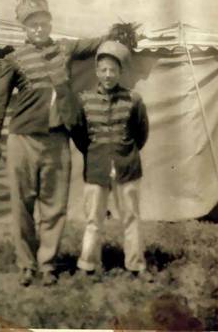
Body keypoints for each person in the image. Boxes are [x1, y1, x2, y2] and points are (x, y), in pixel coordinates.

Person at [0, 0, 111, 286]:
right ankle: (26, 264)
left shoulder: (65, 50)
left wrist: (115, 35)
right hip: (23, 139)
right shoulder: (14, 59)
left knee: (54, 205)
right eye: (33, 25)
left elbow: (93, 44)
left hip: (57, 139)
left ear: (50, 24)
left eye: (43, 23)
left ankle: (47, 264)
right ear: (25, 28)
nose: (39, 29)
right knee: (22, 205)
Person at [71, 40, 150, 276]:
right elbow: (80, 136)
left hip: (127, 167)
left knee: (131, 217)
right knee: (93, 219)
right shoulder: (85, 100)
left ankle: (135, 264)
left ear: (120, 72)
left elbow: (141, 133)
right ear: (97, 72)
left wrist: (125, 151)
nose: (108, 75)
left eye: (113, 70)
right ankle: (88, 263)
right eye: (103, 70)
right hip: (96, 169)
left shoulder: (133, 99)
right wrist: (97, 153)